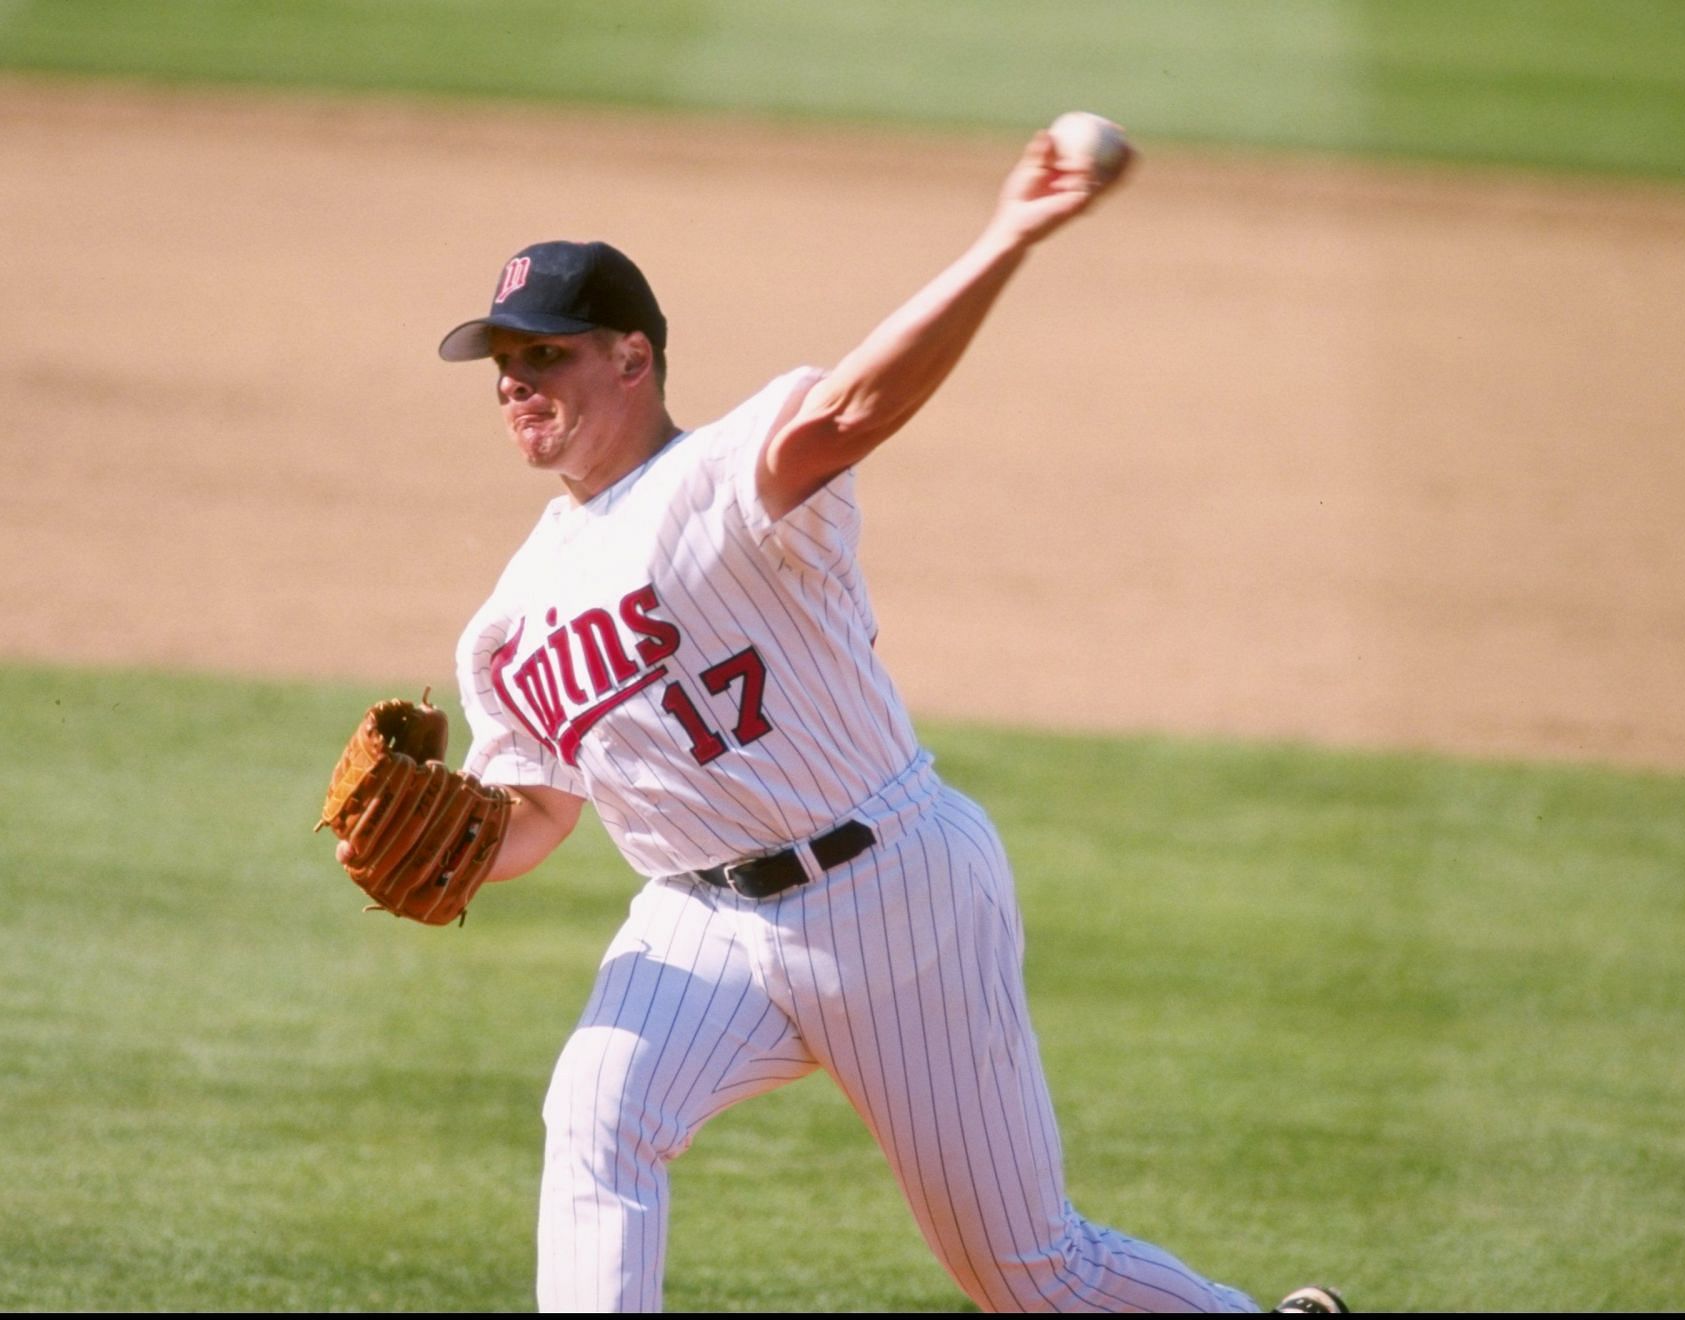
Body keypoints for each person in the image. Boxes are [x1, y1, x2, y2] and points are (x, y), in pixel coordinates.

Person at [399, 124, 1347, 1314]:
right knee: (596, 1114)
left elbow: (855, 405)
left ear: (632, 359)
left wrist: (1010, 234)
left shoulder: (729, 475)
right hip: (698, 917)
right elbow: (539, 810)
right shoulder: (507, 622)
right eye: (500, 360)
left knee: (1025, 1277)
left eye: (545, 351)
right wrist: (459, 851)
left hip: (889, 891)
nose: (513, 380)